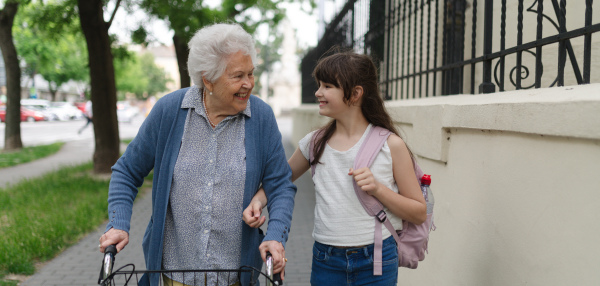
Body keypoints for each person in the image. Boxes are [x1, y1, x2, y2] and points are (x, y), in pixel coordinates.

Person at [98, 23, 296, 286]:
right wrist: (118, 224)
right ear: (208, 79)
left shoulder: (261, 117)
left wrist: (275, 235)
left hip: (236, 279)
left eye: (251, 73)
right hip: (173, 278)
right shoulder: (169, 111)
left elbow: (280, 185)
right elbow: (127, 171)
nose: (248, 84)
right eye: (237, 76)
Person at [243, 51, 427, 285]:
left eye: (328, 86)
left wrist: (379, 190)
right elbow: (281, 179)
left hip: (377, 259)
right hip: (326, 260)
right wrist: (258, 201)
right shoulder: (315, 143)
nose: (318, 92)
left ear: (355, 93)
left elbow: (418, 212)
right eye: (319, 85)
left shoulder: (390, 145)